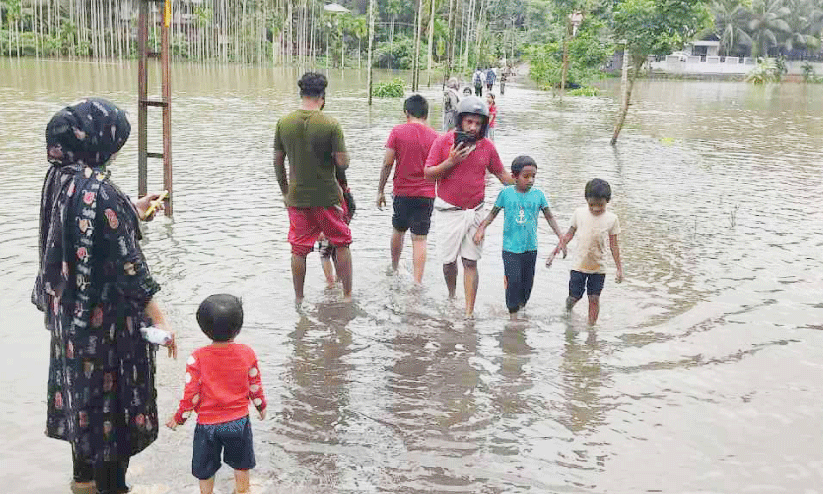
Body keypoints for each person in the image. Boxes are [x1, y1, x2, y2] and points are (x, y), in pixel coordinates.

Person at [34, 98, 176, 494]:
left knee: (83, 405)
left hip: (70, 321)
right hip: (107, 326)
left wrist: (131, 207)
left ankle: (82, 483)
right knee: (112, 411)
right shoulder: (101, 191)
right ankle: (114, 488)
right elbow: (130, 266)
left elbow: (82, 224)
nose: (115, 150)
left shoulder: (59, 178)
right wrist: (160, 319)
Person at [166, 294, 267, 494]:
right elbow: (254, 385)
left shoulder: (197, 358)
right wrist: (261, 406)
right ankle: (242, 491)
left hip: (207, 426)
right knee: (241, 464)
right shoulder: (247, 353)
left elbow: (191, 396)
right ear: (238, 327)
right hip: (238, 422)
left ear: (204, 330)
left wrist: (179, 418)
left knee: (205, 469)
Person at [424, 96, 514, 318]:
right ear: (460, 121)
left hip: (475, 212)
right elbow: (427, 174)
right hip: (448, 211)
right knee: (448, 263)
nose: (473, 127)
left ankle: (468, 313)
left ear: (484, 125)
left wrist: (524, 186)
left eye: (478, 123)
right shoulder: (443, 142)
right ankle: (452, 295)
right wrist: (451, 161)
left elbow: (501, 174)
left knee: (470, 261)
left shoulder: (487, 148)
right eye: (469, 122)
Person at [274, 72, 353, 304]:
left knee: (298, 249)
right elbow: (342, 163)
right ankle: (347, 296)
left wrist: (285, 192)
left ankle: (299, 298)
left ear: (301, 93)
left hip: (297, 197)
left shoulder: (284, 123)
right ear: (322, 96)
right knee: (341, 242)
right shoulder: (331, 124)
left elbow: (278, 161)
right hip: (327, 197)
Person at [473, 156, 565, 320]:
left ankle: (521, 308)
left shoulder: (539, 195)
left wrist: (561, 237)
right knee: (513, 281)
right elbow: (492, 214)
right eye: (526, 176)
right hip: (510, 249)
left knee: (527, 284)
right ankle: (513, 316)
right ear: (514, 177)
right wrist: (481, 229)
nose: (530, 180)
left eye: (533, 176)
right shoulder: (506, 194)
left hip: (531, 248)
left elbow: (550, 217)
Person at [377, 94, 440, 284]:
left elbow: (388, 163)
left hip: (402, 193)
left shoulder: (397, 132)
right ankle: (417, 282)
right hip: (426, 194)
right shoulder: (436, 137)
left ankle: (395, 268)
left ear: (406, 112)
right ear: (426, 114)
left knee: (398, 230)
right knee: (420, 239)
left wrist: (380, 190)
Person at [547, 178, 624, 325]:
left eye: (600, 205)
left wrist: (619, 269)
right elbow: (568, 235)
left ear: (607, 201)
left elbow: (614, 245)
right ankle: (568, 309)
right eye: (591, 205)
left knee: (594, 298)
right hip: (579, 265)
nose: (595, 208)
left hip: (598, 268)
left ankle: (591, 329)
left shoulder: (612, 219)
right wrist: (555, 252)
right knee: (574, 297)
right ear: (586, 200)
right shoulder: (579, 213)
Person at [318, 170, 356, 288]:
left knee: (325, 253)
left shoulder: (324, 182)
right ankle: (339, 280)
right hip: (345, 210)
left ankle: (330, 284)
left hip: (333, 212)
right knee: (337, 248)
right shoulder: (341, 183)